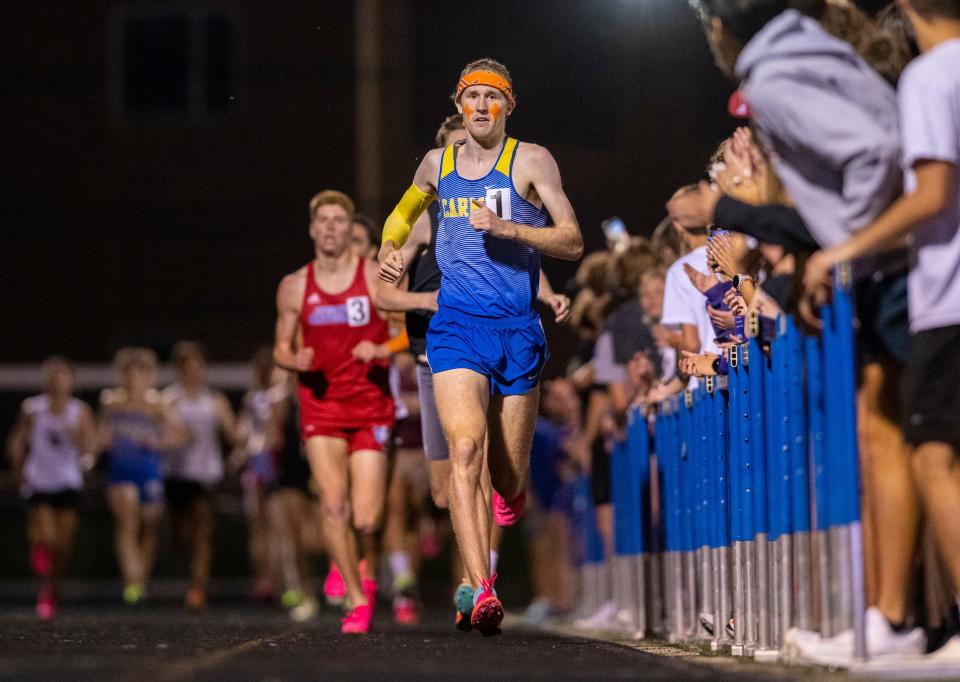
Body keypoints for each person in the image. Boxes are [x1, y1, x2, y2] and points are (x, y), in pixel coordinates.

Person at [691, 0, 923, 661]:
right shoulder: (803, 52)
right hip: (891, 257)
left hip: (894, 260)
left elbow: (875, 150)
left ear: (724, 28)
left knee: (919, 447)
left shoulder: (771, 76)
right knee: (881, 435)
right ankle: (884, 618)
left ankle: (895, 619)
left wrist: (845, 246)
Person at [378, 58, 583, 634]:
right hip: (456, 327)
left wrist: (515, 228)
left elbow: (571, 239)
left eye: (494, 98)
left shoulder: (532, 160)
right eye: (474, 97)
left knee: (509, 476)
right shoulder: (436, 163)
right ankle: (482, 586)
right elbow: (404, 210)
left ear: (508, 106)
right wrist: (388, 248)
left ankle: (508, 499)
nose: (483, 107)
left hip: (516, 329)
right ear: (459, 103)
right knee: (465, 452)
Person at [801, 0, 960, 665]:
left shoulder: (930, 76)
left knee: (933, 456)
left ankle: (917, 624)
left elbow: (929, 193)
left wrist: (842, 250)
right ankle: (900, 623)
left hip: (946, 294)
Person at [273, 189, 395, 634]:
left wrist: (382, 346)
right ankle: (357, 598)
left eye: (338, 221)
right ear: (312, 229)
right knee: (334, 505)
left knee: (366, 516)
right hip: (321, 407)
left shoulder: (377, 278)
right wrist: (293, 360)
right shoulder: (294, 286)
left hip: (370, 407)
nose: (329, 227)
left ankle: (359, 568)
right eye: (322, 220)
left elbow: (404, 333)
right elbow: (280, 348)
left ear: (349, 230)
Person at [6, 357, 96, 620]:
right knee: (46, 536)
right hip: (39, 481)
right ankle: (43, 575)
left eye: (63, 377)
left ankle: (51, 590)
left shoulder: (79, 412)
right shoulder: (33, 409)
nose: (58, 383)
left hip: (67, 482)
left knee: (63, 547)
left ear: (71, 382)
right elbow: (17, 441)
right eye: (54, 377)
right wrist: (19, 471)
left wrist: (77, 439)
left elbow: (88, 448)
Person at [99, 347, 186, 605]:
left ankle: (141, 581)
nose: (133, 381)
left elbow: (180, 433)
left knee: (148, 525)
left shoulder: (157, 404)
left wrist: (159, 442)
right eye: (128, 375)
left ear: (149, 376)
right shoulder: (112, 401)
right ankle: (132, 579)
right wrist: (93, 451)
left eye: (139, 375)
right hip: (121, 472)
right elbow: (101, 433)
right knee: (127, 521)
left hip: (148, 471)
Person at [162, 341, 237, 611]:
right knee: (182, 535)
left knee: (204, 530)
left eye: (198, 367)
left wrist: (246, 441)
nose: (195, 372)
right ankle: (185, 576)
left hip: (206, 475)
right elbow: (162, 433)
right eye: (189, 368)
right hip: (178, 475)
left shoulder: (214, 401)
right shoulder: (170, 399)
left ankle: (198, 587)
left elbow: (233, 433)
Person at [232, 347, 282, 602]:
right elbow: (246, 432)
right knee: (263, 527)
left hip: (268, 463)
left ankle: (271, 578)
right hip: (260, 464)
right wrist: (242, 451)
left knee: (269, 527)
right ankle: (266, 579)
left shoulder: (273, 397)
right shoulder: (257, 399)